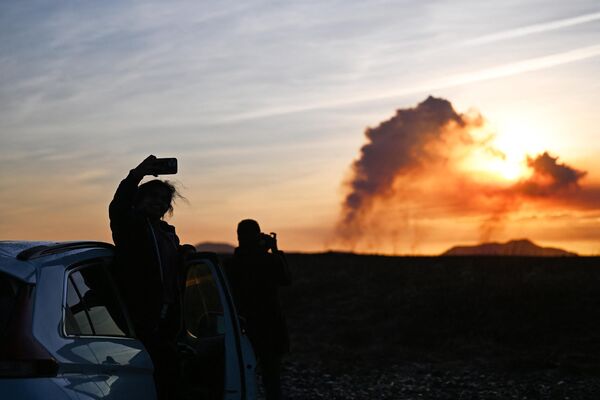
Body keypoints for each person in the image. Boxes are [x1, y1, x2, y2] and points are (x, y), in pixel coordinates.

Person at [108, 155, 194, 400]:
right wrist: (136, 175)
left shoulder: (167, 235)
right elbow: (118, 207)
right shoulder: (131, 228)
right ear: (139, 200)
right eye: (152, 196)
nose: (158, 202)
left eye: (163, 200)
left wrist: (184, 253)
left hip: (166, 320)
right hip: (141, 320)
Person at [224, 219, 292, 400]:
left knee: (243, 372)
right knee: (272, 377)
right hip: (269, 324)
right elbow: (286, 278)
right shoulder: (268, 260)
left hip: (243, 324)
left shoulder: (231, 264)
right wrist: (274, 249)